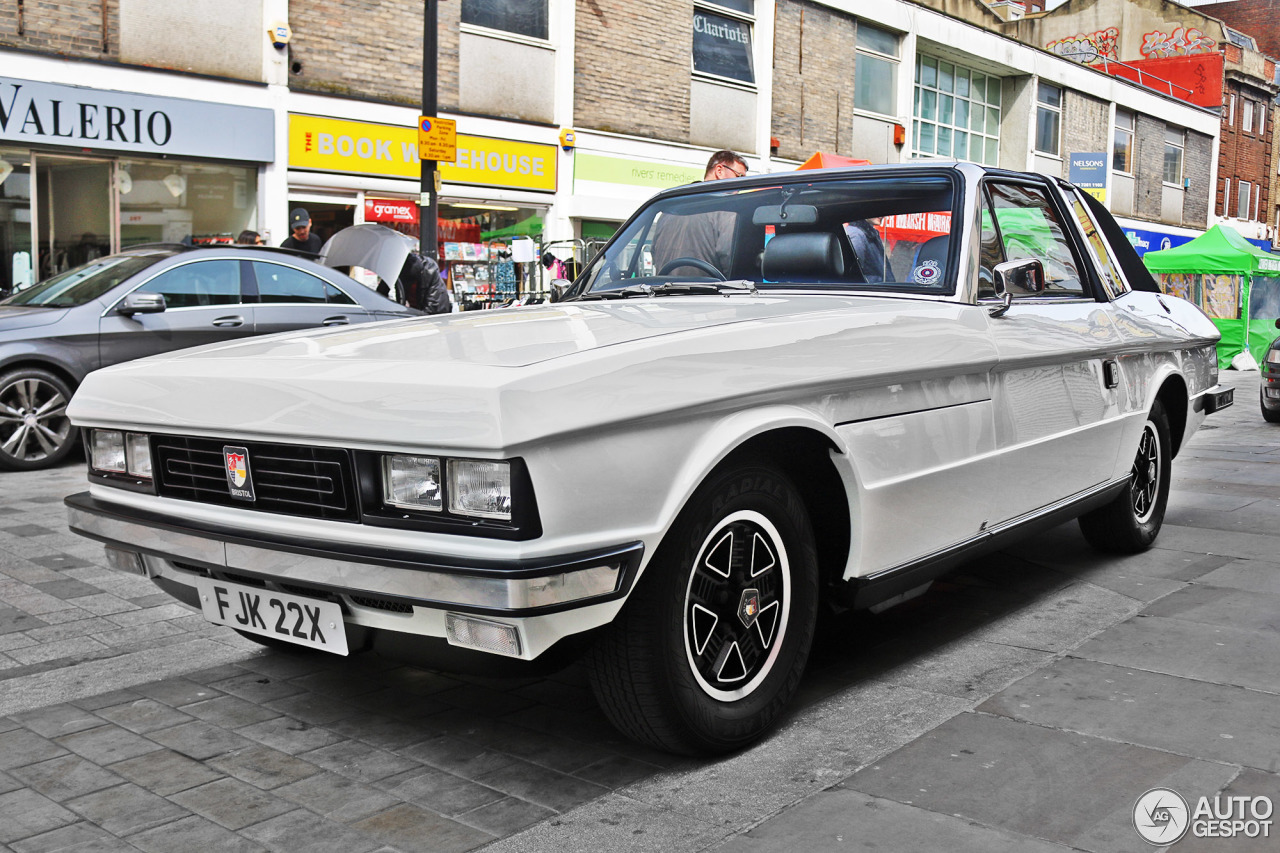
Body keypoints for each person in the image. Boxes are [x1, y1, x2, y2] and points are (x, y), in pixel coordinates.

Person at [650, 149, 747, 277]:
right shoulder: (725, 208)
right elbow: (731, 259)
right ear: (719, 171)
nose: (740, 185)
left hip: (663, 292)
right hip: (705, 293)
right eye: (739, 176)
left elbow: (655, 253)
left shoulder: (668, 210)